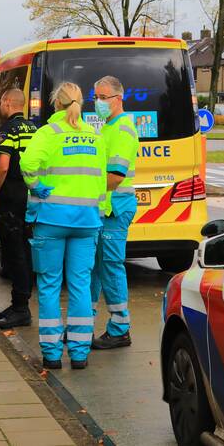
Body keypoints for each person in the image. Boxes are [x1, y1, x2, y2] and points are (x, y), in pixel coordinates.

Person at [19, 82, 105, 370]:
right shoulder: (95, 136)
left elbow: (27, 164)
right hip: (88, 221)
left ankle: (52, 353)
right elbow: (100, 180)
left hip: (51, 220)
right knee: (80, 285)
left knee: (49, 285)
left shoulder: (48, 133)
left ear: (56, 104)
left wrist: (36, 186)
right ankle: (79, 353)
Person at [89, 75, 140, 349]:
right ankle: (83, 325)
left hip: (115, 209)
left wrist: (85, 190)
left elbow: (116, 176)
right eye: (95, 97)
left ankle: (120, 328)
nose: (97, 102)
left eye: (103, 97)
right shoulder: (108, 127)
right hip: (105, 208)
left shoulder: (122, 130)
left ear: (118, 99)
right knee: (95, 268)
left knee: (110, 267)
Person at [0, 88, 38, 329]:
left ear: (8, 102)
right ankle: (19, 302)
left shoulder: (7, 130)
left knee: (14, 253)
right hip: (30, 196)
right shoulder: (34, 129)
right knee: (25, 251)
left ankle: (21, 309)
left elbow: (3, 167)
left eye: (0, 102)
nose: (0, 106)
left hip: (11, 198)